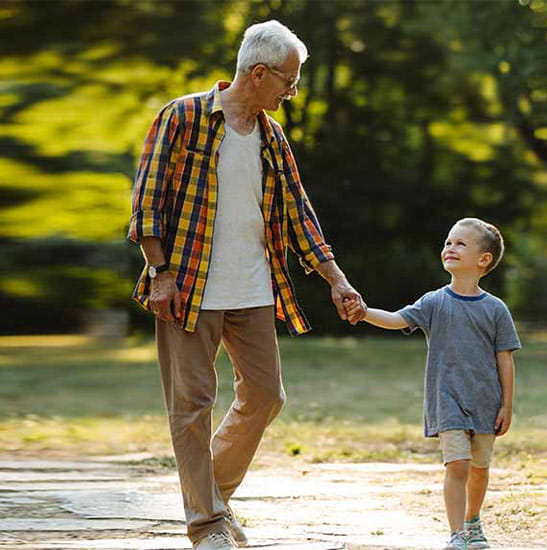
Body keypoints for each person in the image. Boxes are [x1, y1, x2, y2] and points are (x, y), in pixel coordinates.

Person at [128, 20, 366, 550]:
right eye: (288, 80)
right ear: (258, 73)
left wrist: (336, 279)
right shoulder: (183, 116)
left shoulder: (272, 135)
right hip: (187, 286)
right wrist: (160, 272)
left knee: (264, 395)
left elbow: (299, 215)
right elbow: (146, 202)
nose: (292, 91)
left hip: (254, 286)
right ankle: (207, 524)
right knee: (193, 405)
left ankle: (210, 496)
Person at [345, 218, 521, 550]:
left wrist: (506, 406)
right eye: (448, 242)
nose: (449, 248)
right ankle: (456, 534)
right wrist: (364, 312)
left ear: (484, 260)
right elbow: (397, 320)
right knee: (458, 465)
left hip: (486, 401)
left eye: (460, 244)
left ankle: (473, 522)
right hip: (447, 400)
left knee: (479, 470)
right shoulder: (434, 302)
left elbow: (505, 360)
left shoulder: (496, 309)